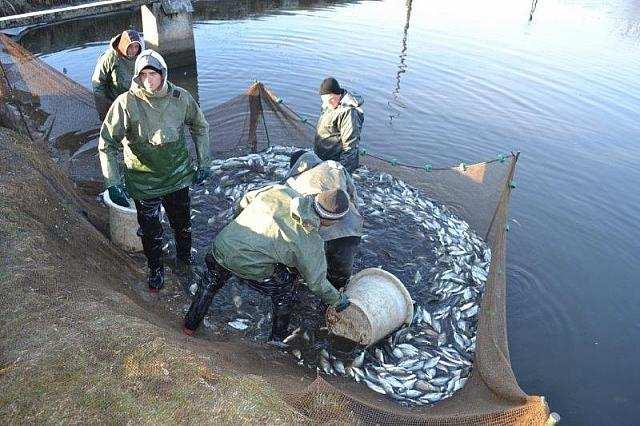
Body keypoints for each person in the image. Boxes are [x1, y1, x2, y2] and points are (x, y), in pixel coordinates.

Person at [98, 49, 211, 293]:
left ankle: (184, 260)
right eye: (144, 74)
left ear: (163, 74)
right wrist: (113, 182)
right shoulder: (126, 103)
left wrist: (204, 163)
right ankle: (156, 268)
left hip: (178, 177)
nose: (149, 79)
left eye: (154, 74)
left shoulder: (181, 98)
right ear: (138, 76)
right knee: (151, 231)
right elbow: (107, 142)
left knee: (182, 224)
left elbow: (200, 127)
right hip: (143, 182)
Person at [183, 187, 351, 341]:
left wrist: (239, 222)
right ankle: (277, 341)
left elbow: (245, 200)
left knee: (211, 282)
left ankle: (189, 327)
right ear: (329, 220)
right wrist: (338, 300)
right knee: (285, 292)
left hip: (221, 245)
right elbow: (316, 283)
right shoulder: (311, 241)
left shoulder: (282, 191)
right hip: (247, 263)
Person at [284, 150, 363, 290]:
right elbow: (352, 194)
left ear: (296, 166)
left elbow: (289, 214)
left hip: (319, 226)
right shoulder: (334, 166)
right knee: (341, 268)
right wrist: (354, 213)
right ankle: (338, 292)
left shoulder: (292, 182)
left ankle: (317, 286)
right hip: (348, 223)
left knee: (313, 262)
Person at [313, 77, 364, 173]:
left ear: (338, 94)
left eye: (330, 100)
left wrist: (341, 170)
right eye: (324, 100)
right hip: (324, 159)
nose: (326, 104)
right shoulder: (330, 104)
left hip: (336, 163)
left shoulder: (348, 112)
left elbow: (350, 144)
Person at [92, 30, 144, 120]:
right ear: (124, 45)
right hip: (114, 101)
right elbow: (98, 83)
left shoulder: (140, 58)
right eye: (130, 47)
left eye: (136, 47)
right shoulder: (110, 57)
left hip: (132, 101)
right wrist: (104, 110)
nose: (134, 50)